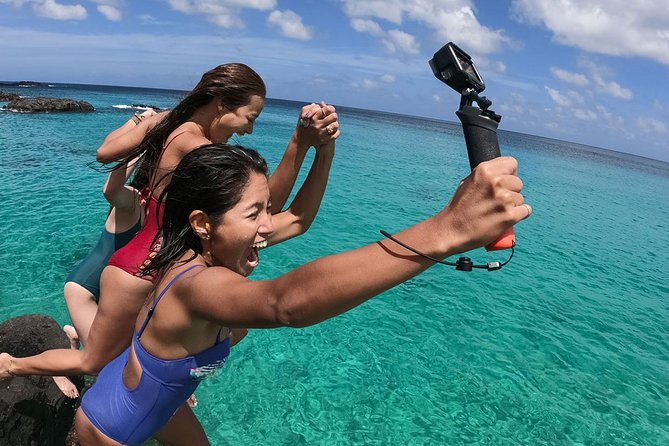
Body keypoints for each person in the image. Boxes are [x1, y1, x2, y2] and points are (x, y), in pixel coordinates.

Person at [62, 144, 530, 445]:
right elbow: (284, 303)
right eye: (254, 214)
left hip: (146, 404)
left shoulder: (197, 256)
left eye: (268, 208)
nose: (267, 226)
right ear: (203, 223)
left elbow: (299, 220)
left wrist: (320, 150)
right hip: (111, 432)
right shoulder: (198, 285)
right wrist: (445, 231)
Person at [0, 64, 338, 390]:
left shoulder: (169, 123)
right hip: (140, 269)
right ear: (221, 104)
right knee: (93, 362)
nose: (249, 129)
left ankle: (165, 379)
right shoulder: (197, 148)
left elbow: (105, 153)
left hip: (165, 261)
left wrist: (139, 121)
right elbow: (268, 208)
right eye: (250, 118)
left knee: (232, 329)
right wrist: (299, 142)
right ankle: (11, 365)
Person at [54, 109, 157, 398]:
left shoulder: (159, 212)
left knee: (130, 355)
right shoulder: (132, 202)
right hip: (84, 290)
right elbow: (110, 189)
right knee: (100, 364)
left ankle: (75, 337)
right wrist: (136, 137)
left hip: (113, 296)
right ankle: (56, 365)